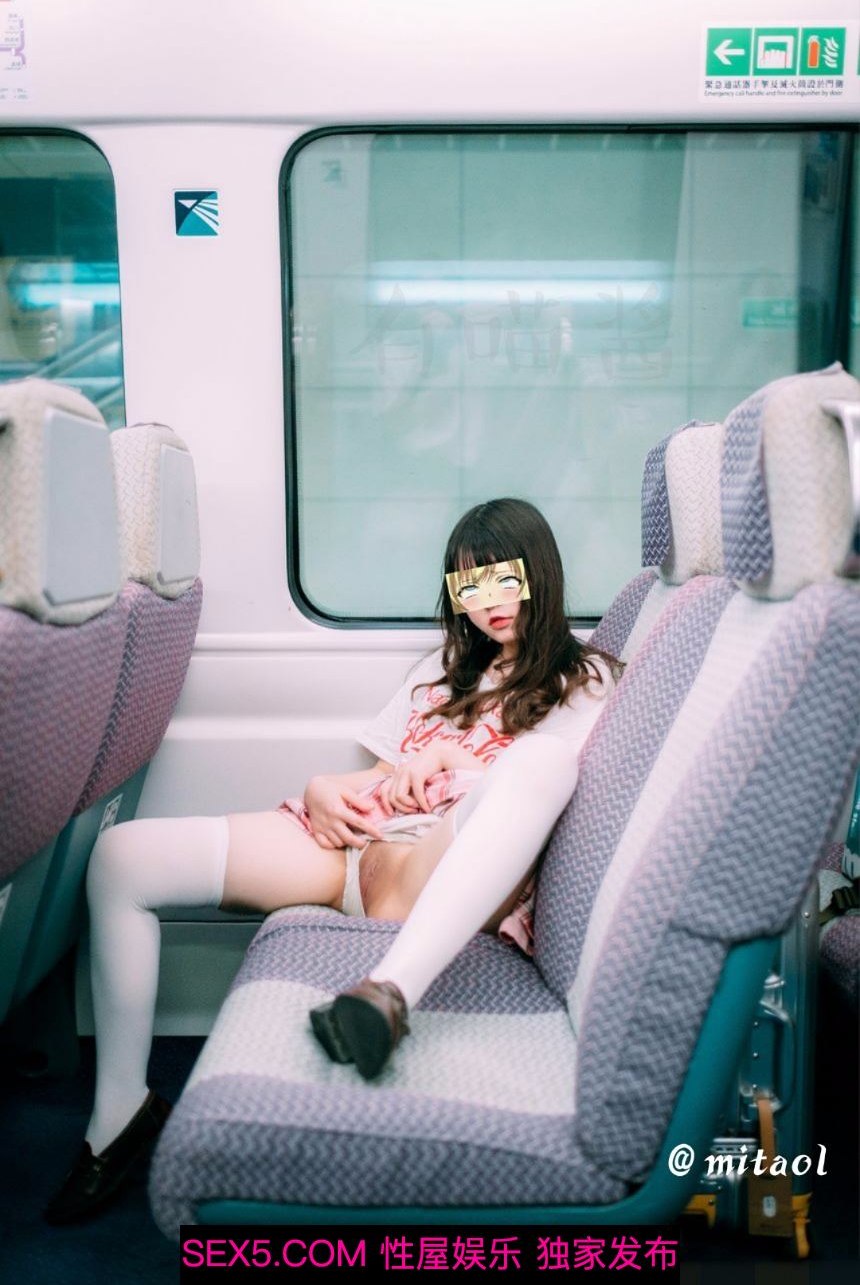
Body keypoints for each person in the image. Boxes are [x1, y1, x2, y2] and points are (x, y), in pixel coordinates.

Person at [44, 497, 622, 1226]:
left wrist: (454, 763)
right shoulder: (444, 669)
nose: (488, 601)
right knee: (125, 857)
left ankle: (388, 994)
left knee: (535, 763)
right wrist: (325, 788)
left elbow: (543, 798)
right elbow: (378, 777)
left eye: (504, 578)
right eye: (469, 585)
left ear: (540, 574)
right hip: (354, 850)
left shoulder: (587, 680)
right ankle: (119, 1114)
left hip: (436, 871)